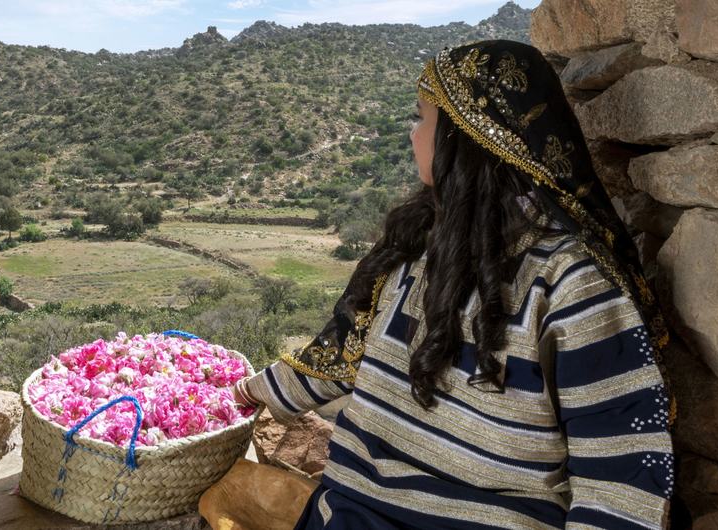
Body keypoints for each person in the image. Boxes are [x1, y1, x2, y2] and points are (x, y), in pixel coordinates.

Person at [221, 39, 681, 529]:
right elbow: (338, 359)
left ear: (469, 137)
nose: (412, 133)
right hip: (349, 516)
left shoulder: (573, 288)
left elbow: (620, 481)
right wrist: (235, 395)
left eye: (421, 118)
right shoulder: (416, 249)